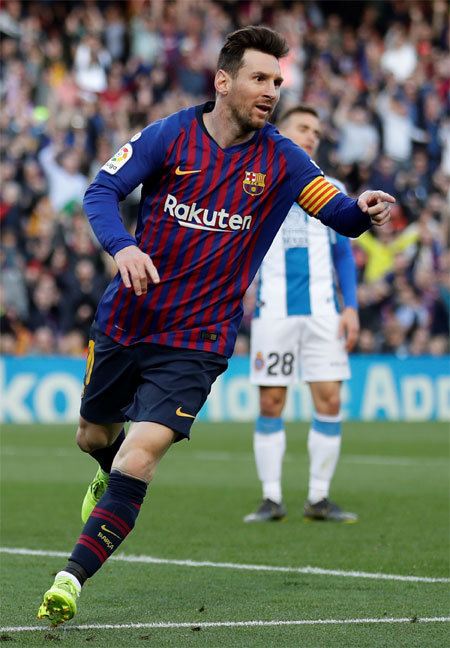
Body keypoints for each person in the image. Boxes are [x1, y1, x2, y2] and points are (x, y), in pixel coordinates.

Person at [37, 26, 394, 627]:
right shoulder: (169, 135)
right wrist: (124, 247)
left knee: (141, 455)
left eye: (278, 81)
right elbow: (101, 191)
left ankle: (68, 580)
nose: (272, 90)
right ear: (223, 81)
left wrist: (362, 208)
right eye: (259, 78)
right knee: (94, 437)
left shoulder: (283, 158)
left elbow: (338, 213)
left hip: (197, 340)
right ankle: (105, 471)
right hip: (127, 317)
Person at [245, 105, 359, 524]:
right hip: (274, 311)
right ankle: (271, 498)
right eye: (303, 128)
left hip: (324, 313)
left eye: (316, 131)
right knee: (271, 401)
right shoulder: (257, 183)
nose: (312, 136)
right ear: (282, 132)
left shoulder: (332, 188)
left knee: (329, 399)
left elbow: (343, 252)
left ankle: (318, 497)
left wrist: (351, 307)